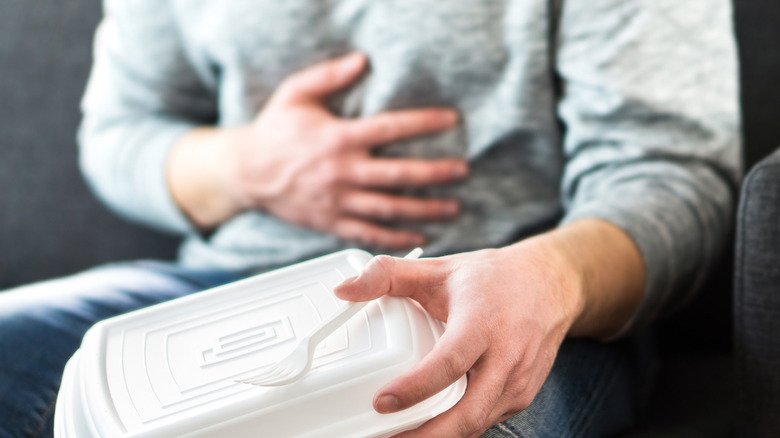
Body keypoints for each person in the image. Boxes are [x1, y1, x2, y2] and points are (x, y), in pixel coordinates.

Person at [0, 0, 741, 437]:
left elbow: (671, 173)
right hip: (216, 293)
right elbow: (121, 131)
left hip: (508, 295)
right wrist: (246, 166)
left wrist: (552, 275)